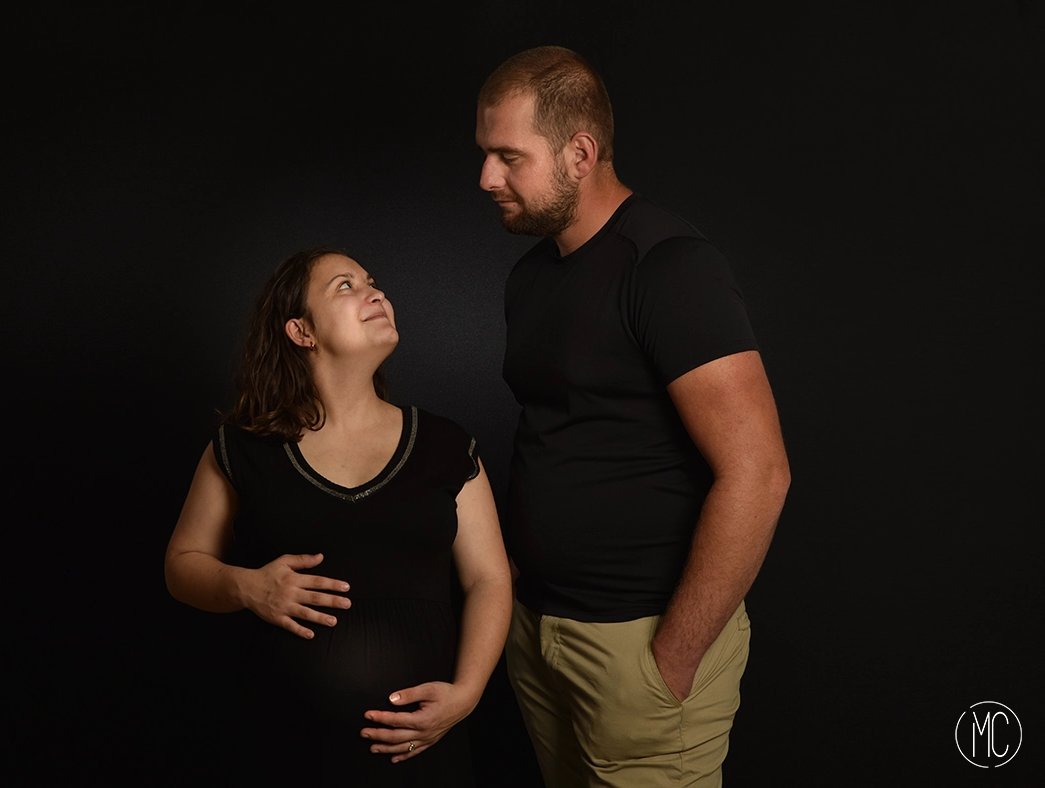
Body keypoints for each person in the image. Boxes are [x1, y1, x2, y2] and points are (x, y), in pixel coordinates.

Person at [475, 47, 791, 787]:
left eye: (509, 157)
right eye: (485, 154)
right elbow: (559, 433)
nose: (486, 178)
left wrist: (672, 658)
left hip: (639, 644)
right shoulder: (530, 278)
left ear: (580, 153)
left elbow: (759, 473)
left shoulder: (669, 267)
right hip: (537, 631)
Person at [164, 247, 511, 786]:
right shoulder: (243, 446)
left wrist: (466, 695)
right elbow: (181, 564)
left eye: (372, 281)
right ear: (301, 331)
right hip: (282, 749)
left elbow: (490, 579)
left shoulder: (446, 445)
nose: (376, 293)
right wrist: (247, 587)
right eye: (346, 286)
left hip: (421, 756)